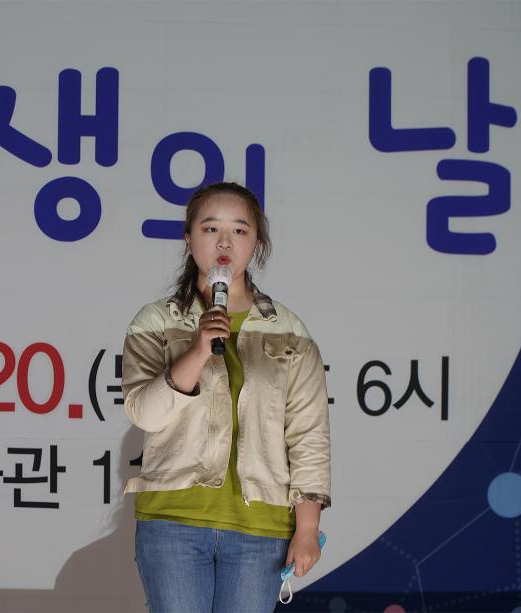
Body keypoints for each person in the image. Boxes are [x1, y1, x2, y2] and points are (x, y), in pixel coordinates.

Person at [121, 181, 331, 612]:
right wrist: (198, 349)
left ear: (257, 243)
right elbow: (145, 413)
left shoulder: (289, 330)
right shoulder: (155, 321)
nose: (224, 242)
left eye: (239, 230)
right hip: (172, 520)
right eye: (210, 228)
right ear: (188, 238)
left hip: (260, 528)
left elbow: (308, 434)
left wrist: (308, 526)